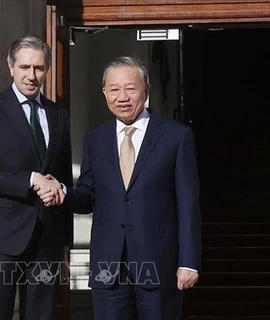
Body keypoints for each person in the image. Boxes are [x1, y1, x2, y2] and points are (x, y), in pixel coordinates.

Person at [39, 56, 201, 319]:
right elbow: (88, 195)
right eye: (114, 89)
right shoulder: (95, 139)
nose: (122, 97)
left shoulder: (176, 136)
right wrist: (63, 193)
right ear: (105, 94)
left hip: (158, 264)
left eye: (130, 88)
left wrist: (188, 262)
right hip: (108, 267)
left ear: (147, 89)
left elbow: (188, 204)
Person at [0, 34, 72, 320]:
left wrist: (65, 244)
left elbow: (62, 178)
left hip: (47, 240)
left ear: (47, 70)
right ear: (10, 67)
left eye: (39, 68)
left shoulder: (58, 114)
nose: (31, 75)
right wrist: (31, 179)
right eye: (24, 67)